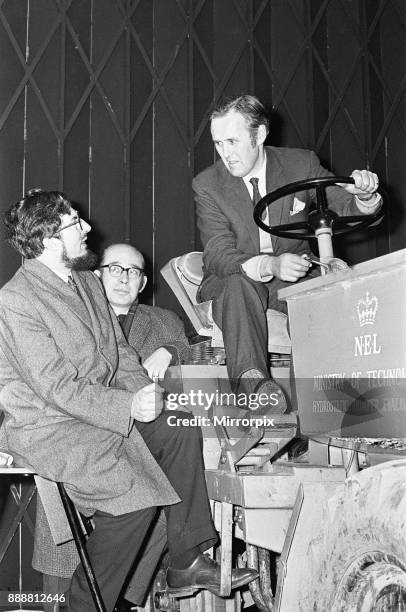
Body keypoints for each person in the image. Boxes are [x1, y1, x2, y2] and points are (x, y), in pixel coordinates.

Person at [0, 189, 257, 612]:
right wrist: (126, 408)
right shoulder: (16, 301)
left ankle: (186, 559)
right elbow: (57, 388)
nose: (87, 227)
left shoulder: (85, 281)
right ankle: (80, 606)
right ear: (47, 241)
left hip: (94, 412)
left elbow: (119, 353)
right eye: (74, 223)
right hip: (50, 425)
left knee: (177, 425)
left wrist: (144, 393)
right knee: (132, 499)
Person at [193, 94, 382, 412]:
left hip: (293, 279)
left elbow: (341, 204)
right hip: (235, 279)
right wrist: (269, 264)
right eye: (218, 143)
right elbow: (216, 252)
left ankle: (312, 412)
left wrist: (364, 198)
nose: (226, 154)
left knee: (316, 297)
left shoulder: (300, 164)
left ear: (260, 134)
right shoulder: (207, 184)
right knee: (240, 285)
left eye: (232, 141)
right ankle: (255, 388)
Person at [97, 242, 190, 379]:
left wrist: (170, 351)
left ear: (142, 283)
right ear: (97, 277)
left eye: (133, 272)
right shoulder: (76, 319)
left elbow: (189, 350)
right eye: (115, 269)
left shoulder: (167, 321)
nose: (124, 279)